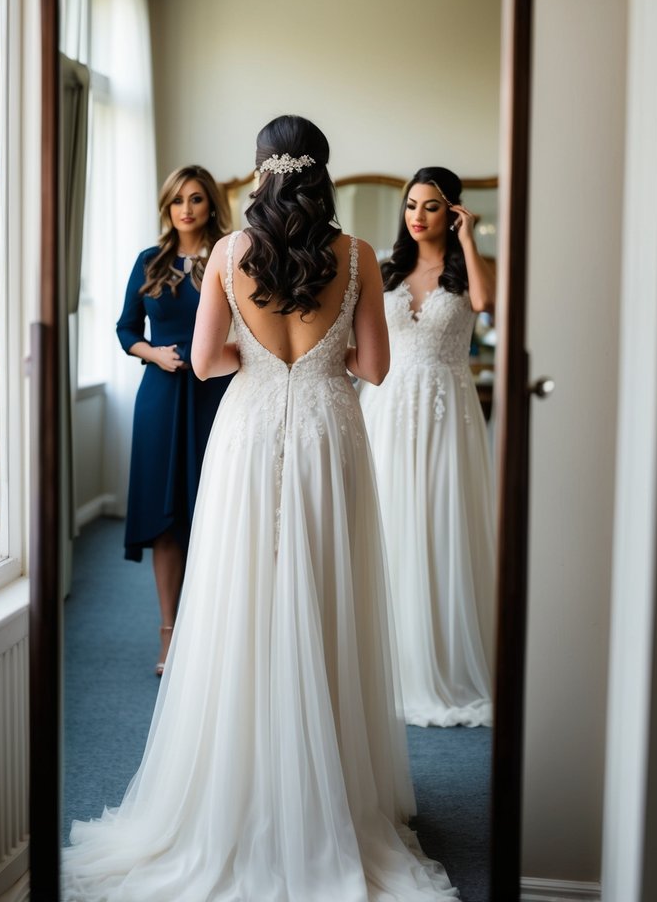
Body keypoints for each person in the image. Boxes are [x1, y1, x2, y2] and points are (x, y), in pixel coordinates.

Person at [63, 117, 457, 901]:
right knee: (323, 589)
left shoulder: (229, 255)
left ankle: (234, 786)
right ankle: (328, 790)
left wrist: (262, 355)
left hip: (246, 434)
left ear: (259, 175)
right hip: (328, 431)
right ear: (323, 175)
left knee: (242, 595)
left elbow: (205, 361)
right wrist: (317, 357)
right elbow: (375, 367)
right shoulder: (353, 257)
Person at [360, 167, 496, 728]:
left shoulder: (467, 276)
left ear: (454, 211)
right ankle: (382, 664)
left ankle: (442, 661)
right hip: (387, 408)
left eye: (432, 207)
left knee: (442, 524)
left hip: (446, 411)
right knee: (388, 523)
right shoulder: (388, 271)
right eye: (411, 205)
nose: (417, 216)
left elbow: (488, 304)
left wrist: (469, 239)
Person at [116, 165, 232, 675]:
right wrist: (154, 356)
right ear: (166, 206)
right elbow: (125, 330)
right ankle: (169, 634)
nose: (186, 209)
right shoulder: (149, 260)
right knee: (166, 521)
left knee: (216, 514)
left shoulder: (231, 256)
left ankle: (215, 632)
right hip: (161, 396)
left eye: (196, 199)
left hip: (217, 394)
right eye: (177, 200)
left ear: (211, 206)